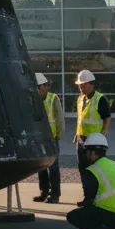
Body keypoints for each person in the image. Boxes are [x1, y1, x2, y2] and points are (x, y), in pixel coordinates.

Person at [72, 69, 112, 173]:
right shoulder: (80, 99)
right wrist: (77, 134)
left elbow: (107, 117)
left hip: (94, 141)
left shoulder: (100, 99)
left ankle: (96, 188)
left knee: (95, 169)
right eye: (80, 86)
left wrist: (104, 132)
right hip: (81, 140)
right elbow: (81, 118)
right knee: (82, 168)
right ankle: (86, 188)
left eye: (83, 85)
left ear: (91, 84)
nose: (81, 88)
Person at [33, 72, 65, 203]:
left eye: (40, 87)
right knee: (41, 167)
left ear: (45, 86)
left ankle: (55, 194)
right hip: (39, 138)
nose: (38, 90)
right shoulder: (34, 100)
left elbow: (60, 119)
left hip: (52, 138)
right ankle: (44, 192)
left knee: (53, 167)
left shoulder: (53, 98)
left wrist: (59, 134)